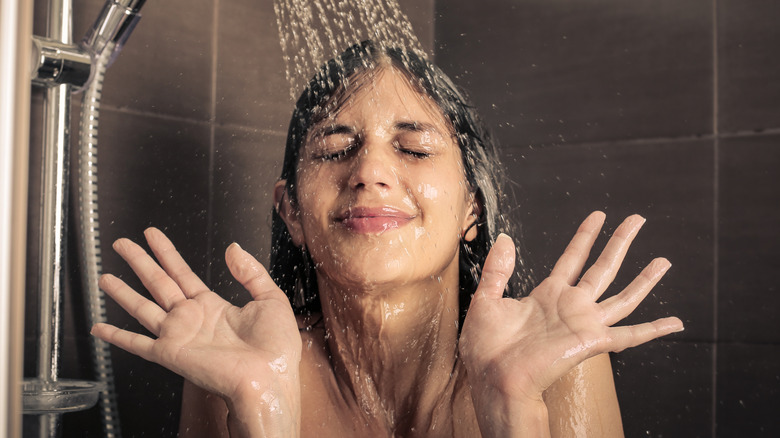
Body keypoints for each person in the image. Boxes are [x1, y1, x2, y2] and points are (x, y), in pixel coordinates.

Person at [91, 41, 684, 437]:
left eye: (414, 148)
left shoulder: (555, 367)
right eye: (334, 148)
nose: (370, 171)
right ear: (291, 211)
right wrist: (260, 410)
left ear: (471, 209)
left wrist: (515, 410)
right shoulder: (234, 370)